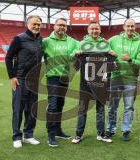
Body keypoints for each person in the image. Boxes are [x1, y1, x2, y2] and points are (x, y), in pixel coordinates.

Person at [71, 21, 116, 144]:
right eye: (92, 29)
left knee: (100, 110)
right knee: (82, 109)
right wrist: (75, 54)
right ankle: (78, 134)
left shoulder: (106, 45)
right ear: (88, 30)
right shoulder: (82, 44)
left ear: (100, 30)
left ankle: (100, 134)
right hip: (86, 84)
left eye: (97, 29)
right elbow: (74, 63)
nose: (95, 31)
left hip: (102, 84)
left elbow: (112, 65)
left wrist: (113, 56)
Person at [5, 15, 43, 148]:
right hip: (20, 79)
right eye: (34, 24)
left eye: (39, 24)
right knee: (18, 109)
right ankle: (16, 136)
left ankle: (28, 135)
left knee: (32, 109)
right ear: (27, 24)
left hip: (34, 80)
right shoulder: (19, 39)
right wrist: (12, 76)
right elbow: (8, 57)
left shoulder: (40, 39)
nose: (37, 26)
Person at [106, 19, 140, 141]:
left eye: (132, 26)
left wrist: (130, 60)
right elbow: (103, 48)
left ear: (135, 27)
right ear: (124, 27)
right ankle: (110, 129)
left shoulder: (139, 44)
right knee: (112, 106)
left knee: (129, 107)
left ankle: (126, 130)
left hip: (131, 80)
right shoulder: (113, 40)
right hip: (115, 78)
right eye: (128, 26)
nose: (130, 28)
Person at [42, 18, 79, 147]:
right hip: (52, 77)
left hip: (65, 77)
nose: (62, 27)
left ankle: (57, 130)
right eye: (59, 25)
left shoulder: (72, 42)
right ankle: (51, 134)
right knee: (53, 105)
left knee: (60, 104)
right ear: (54, 26)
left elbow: (85, 46)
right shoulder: (46, 41)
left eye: (64, 25)